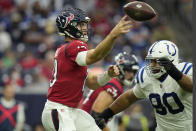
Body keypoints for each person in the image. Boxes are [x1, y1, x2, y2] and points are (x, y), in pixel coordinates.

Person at [41, 8, 133, 131]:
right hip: (58, 110)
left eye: (84, 24)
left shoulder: (70, 52)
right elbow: (95, 56)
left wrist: (108, 75)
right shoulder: (74, 46)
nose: (84, 28)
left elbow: (93, 83)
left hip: (71, 111)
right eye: (80, 24)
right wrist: (113, 35)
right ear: (69, 26)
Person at [95, 40, 193, 131]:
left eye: (156, 61)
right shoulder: (147, 78)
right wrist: (106, 114)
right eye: (151, 61)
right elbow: (129, 98)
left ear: (170, 61)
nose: (152, 65)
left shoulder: (185, 70)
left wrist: (175, 73)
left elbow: (191, 87)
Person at [80, 52, 139, 131]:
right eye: (128, 71)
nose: (131, 75)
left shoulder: (113, 83)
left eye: (133, 72)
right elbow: (96, 116)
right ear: (119, 68)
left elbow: (116, 118)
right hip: (86, 126)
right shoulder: (114, 85)